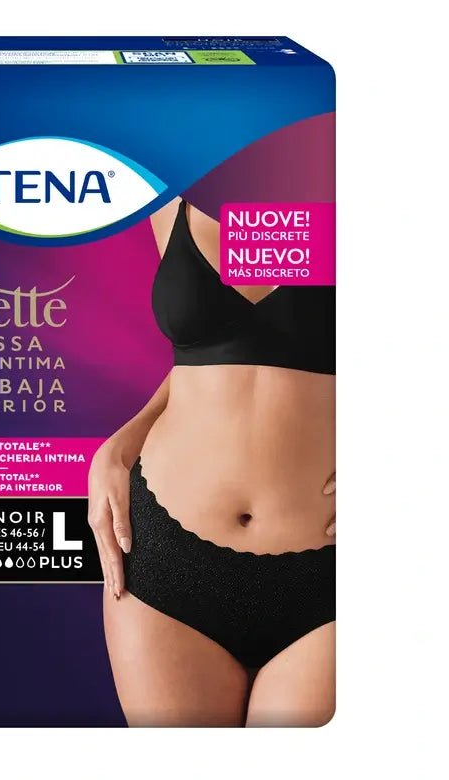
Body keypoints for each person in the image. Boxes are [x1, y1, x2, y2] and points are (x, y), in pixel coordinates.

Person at [88, 198, 335, 727]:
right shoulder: (172, 196)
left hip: (330, 568)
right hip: (164, 558)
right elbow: (206, 356)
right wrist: (119, 446)